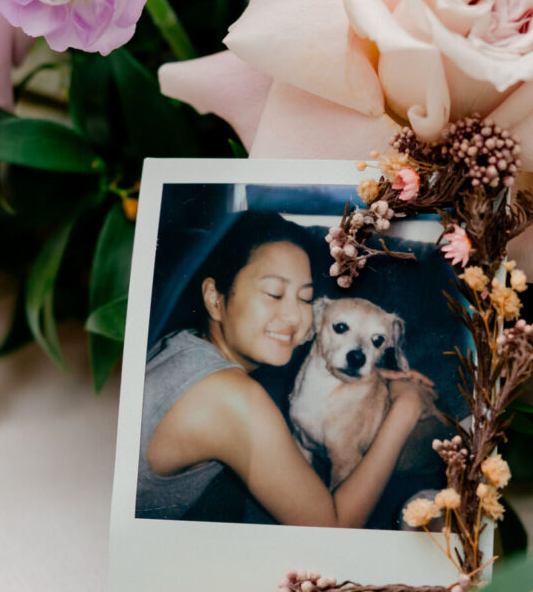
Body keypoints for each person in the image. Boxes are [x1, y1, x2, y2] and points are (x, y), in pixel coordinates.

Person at [136, 209, 437, 524]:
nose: (295, 317)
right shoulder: (231, 398)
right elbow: (331, 527)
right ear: (214, 298)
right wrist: (408, 406)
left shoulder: (181, 343)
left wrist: (377, 375)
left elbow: (321, 346)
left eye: (305, 298)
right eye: (274, 293)